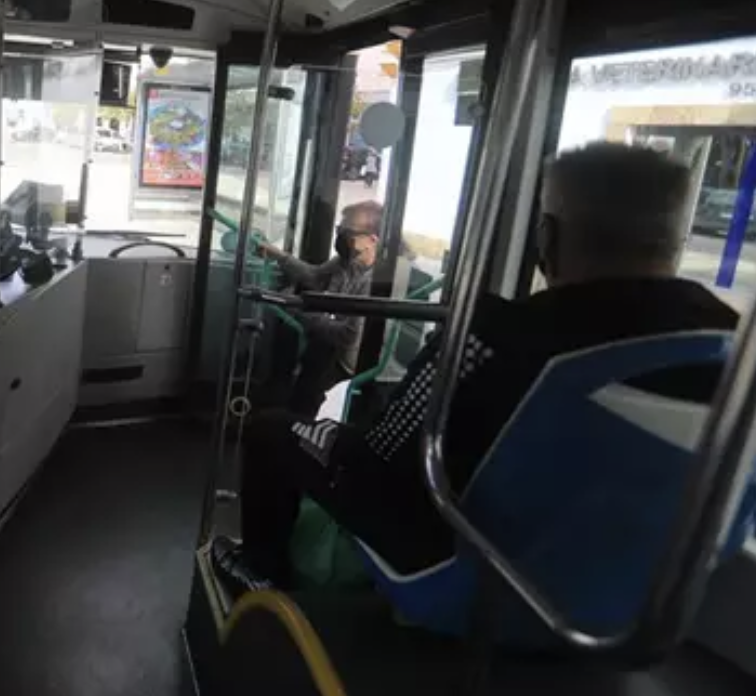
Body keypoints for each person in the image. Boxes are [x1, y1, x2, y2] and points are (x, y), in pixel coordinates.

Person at [215, 142, 738, 593]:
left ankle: (263, 571)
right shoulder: (734, 349)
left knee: (271, 431)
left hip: (463, 579)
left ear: (545, 238)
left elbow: (383, 454)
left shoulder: (492, 335)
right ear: (675, 240)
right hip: (630, 600)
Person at [258, 201, 383, 418]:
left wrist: (301, 312)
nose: (341, 236)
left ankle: (295, 418)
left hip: (349, 361)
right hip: (333, 348)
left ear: (372, 240)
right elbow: (316, 276)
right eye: (339, 230)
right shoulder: (347, 262)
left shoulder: (375, 282)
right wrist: (278, 256)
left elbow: (349, 336)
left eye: (348, 232)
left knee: (316, 353)